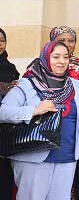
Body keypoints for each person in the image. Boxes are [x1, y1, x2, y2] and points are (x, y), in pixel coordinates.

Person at [0, 41, 79, 200]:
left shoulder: (75, 85)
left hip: (67, 157)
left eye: (65, 57)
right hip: (33, 157)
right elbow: (3, 112)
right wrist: (34, 110)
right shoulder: (27, 84)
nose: (62, 61)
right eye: (56, 57)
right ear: (45, 58)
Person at [0, 27, 20, 200]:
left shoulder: (10, 68)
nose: (0, 44)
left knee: (5, 176)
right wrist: (3, 87)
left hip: (5, 130)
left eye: (2, 40)